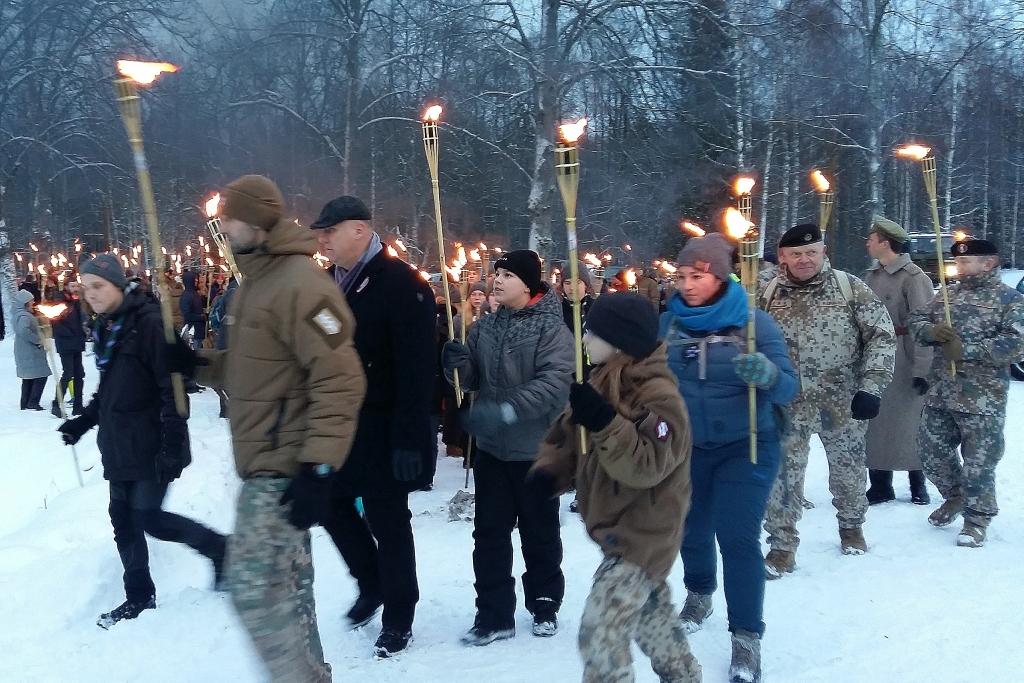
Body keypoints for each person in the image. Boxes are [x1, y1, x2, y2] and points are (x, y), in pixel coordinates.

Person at [169, 175, 365, 682]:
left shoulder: (302, 285)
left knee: (252, 586)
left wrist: (319, 467)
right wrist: (196, 364)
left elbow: (340, 377)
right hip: (267, 464)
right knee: (291, 588)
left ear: (255, 220)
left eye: (229, 218)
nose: (222, 226)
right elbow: (256, 367)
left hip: (286, 467)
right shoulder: (254, 284)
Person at [532, 292, 701, 683]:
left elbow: (646, 465)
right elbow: (566, 439)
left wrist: (607, 422)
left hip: (646, 531)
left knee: (600, 629)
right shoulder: (599, 383)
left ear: (620, 341)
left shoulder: (660, 396)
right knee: (651, 616)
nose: (585, 340)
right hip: (616, 528)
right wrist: (548, 473)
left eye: (592, 332)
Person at [56, 254, 227, 629]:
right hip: (118, 444)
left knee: (149, 517)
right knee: (123, 520)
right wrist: (83, 422)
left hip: (151, 442)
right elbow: (110, 391)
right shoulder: (108, 327)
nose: (91, 294)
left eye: (98, 286)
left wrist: (171, 443)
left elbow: (172, 391)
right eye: (86, 288)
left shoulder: (149, 324)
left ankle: (221, 550)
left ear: (118, 285)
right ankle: (138, 596)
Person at [659, 234, 797, 683]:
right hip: (688, 447)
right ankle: (699, 591)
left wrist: (767, 373)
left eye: (697, 276)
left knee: (737, 537)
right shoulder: (669, 326)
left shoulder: (754, 325)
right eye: (681, 276)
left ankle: (746, 637)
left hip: (748, 445)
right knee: (689, 529)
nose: (687, 284)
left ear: (720, 277)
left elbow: (789, 389)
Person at [310, 195, 437, 658]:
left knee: (388, 519)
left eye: (330, 230)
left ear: (360, 230)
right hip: (339, 424)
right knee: (331, 505)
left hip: (385, 426)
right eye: (319, 232)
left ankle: (399, 613)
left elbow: (417, 369)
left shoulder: (402, 284)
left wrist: (408, 438)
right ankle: (373, 582)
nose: (321, 239)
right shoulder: (326, 283)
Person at [442, 249, 574, 645]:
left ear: (528, 284)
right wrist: (456, 366)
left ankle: (545, 601)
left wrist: (505, 410)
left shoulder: (552, 330)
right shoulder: (485, 328)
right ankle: (494, 613)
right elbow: (470, 380)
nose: (497, 280)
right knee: (488, 535)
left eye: (508, 275)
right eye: (496, 273)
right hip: (492, 453)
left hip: (536, 452)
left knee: (540, 532)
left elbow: (554, 386)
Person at [758, 224, 894, 576]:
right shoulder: (767, 293)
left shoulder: (850, 288)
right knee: (782, 478)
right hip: (785, 405)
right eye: (795, 254)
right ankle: (782, 546)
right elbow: (746, 340)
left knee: (848, 472)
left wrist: (871, 386)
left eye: (811, 253)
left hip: (842, 402)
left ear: (823, 252)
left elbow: (881, 336)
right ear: (783, 256)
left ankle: (852, 527)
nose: (804, 260)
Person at [908, 238, 1024, 547]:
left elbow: (1017, 343)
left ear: (987, 263)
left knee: (979, 462)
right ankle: (955, 496)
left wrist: (968, 349)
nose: (958, 267)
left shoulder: (1009, 300)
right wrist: (931, 332)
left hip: (982, 397)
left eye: (965, 262)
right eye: (957, 262)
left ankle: (977, 519)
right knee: (930, 454)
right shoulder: (949, 296)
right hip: (942, 392)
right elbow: (916, 319)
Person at [864, 217, 934, 505]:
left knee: (909, 423)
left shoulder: (914, 278)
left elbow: (925, 325)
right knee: (875, 422)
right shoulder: (871, 276)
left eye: (872, 238)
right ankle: (880, 484)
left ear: (885, 242)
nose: (867, 243)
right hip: (875, 354)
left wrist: (923, 369)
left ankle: (918, 484)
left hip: (904, 355)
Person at [51, 281, 88, 417]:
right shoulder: (60, 302)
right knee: (68, 374)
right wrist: (71, 334)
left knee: (79, 374)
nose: (76, 288)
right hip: (66, 343)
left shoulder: (77, 302)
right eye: (73, 286)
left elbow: (80, 320)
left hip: (76, 343)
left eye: (77, 286)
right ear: (66, 287)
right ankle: (56, 403)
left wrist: (82, 333)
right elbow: (56, 324)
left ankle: (78, 405)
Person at [13, 288, 50, 410]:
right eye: (31, 301)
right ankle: (33, 402)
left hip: (25, 350)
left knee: (29, 377)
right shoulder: (24, 316)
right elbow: (24, 331)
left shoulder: (20, 314)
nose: (33, 303)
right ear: (25, 302)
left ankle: (25, 402)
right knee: (40, 376)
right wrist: (37, 340)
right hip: (31, 350)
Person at [179, 271, 207, 350]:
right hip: (192, 331)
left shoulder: (195, 294)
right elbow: (187, 315)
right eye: (194, 279)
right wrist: (201, 317)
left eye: (196, 279)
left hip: (199, 330)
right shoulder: (186, 296)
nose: (196, 281)